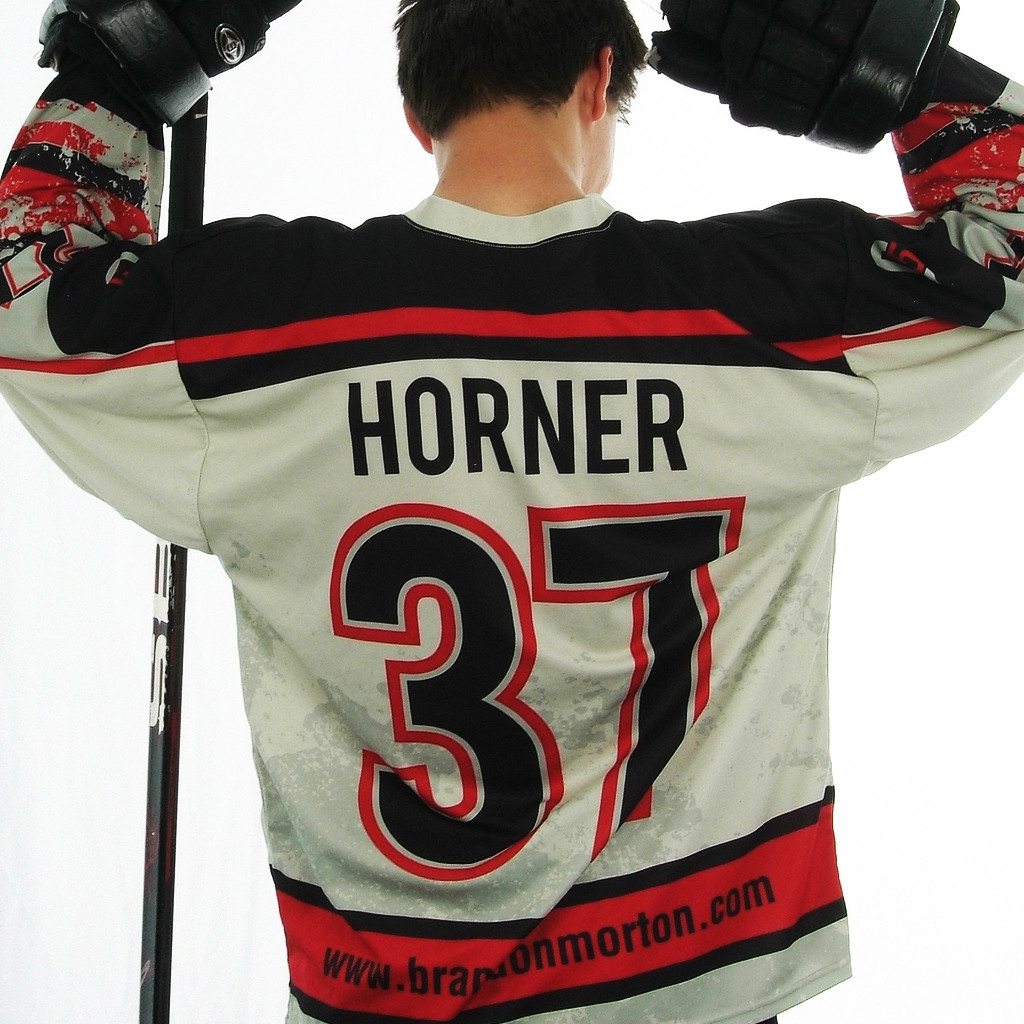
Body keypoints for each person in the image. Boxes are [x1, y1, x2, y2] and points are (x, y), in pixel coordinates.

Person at [1, 1, 1022, 1023]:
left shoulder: (247, 331)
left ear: (417, 111)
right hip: (687, 990)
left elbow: (28, 284)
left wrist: (127, 61)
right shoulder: (779, 305)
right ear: (599, 81)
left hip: (387, 1000)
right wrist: (892, 67)